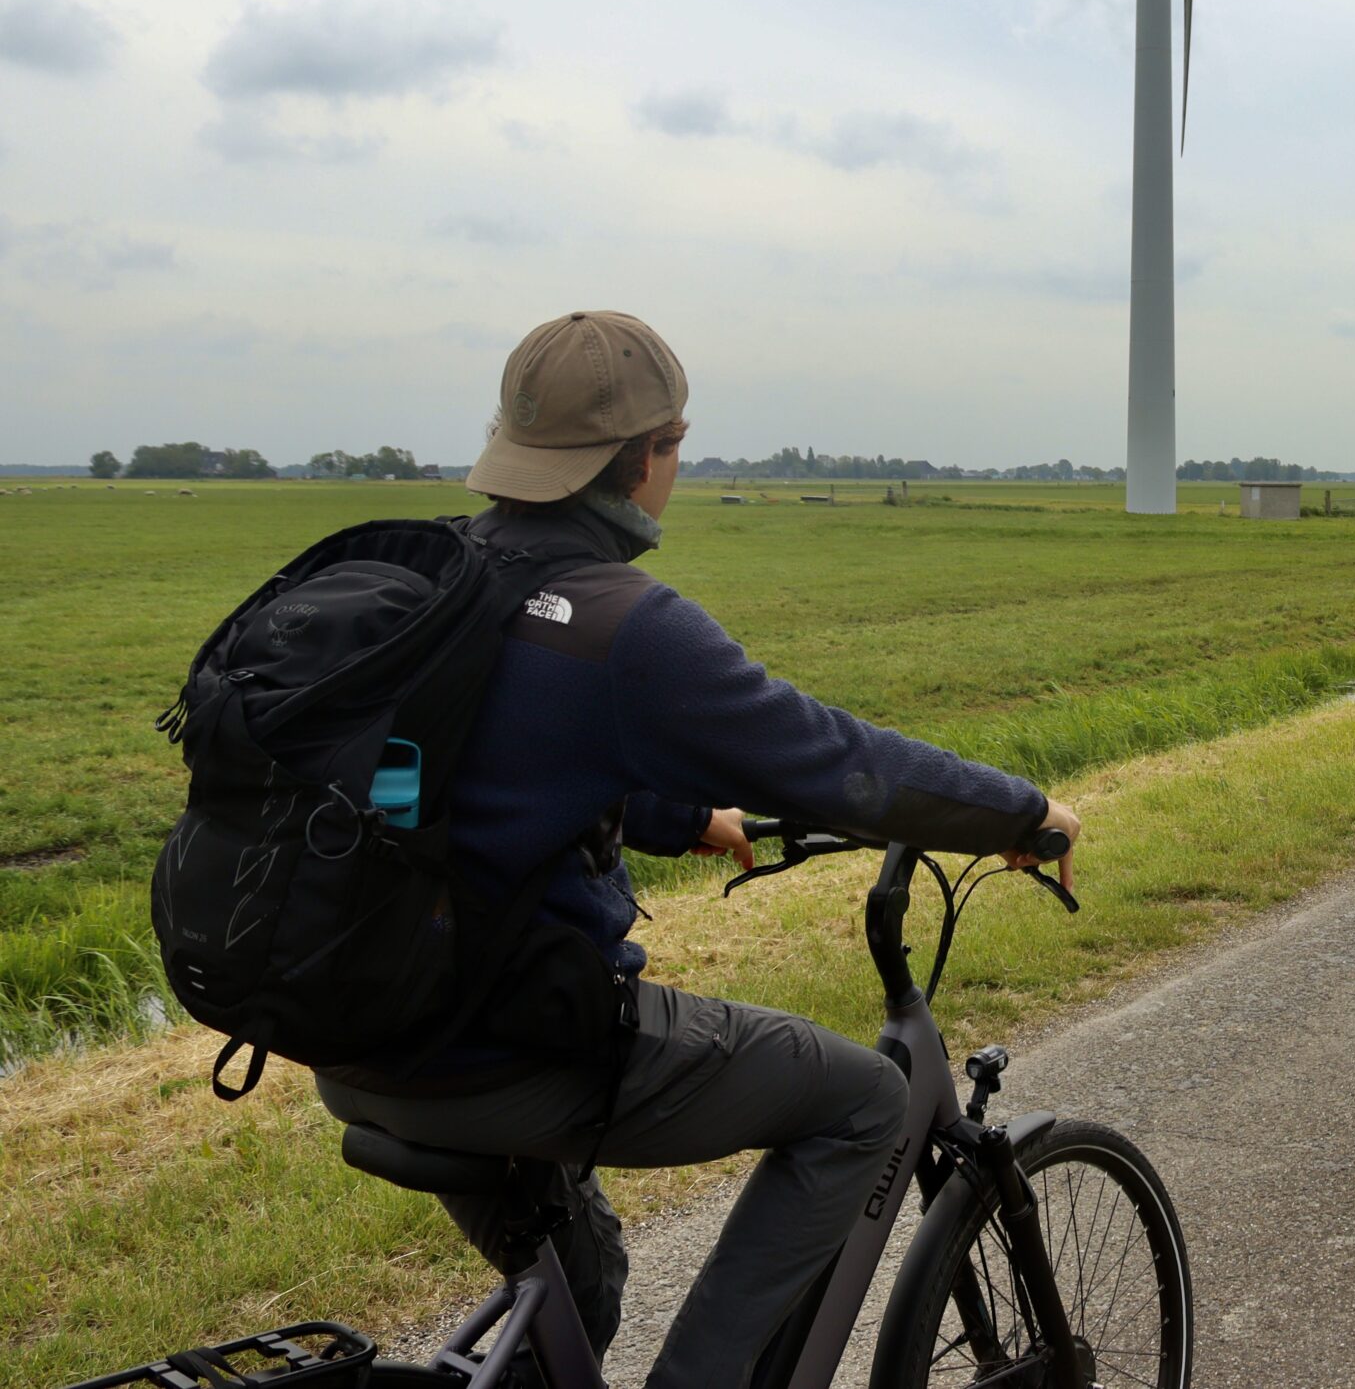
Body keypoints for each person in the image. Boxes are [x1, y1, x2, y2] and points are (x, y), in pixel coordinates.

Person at [314, 310, 1079, 1389]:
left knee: (581, 1292)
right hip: (498, 1055)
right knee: (862, 1101)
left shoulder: (435, 580)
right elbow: (838, 764)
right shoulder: (621, 621)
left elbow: (464, 771)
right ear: (646, 456)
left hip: (355, 1038)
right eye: (675, 444)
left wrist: (678, 815)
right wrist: (1021, 813)